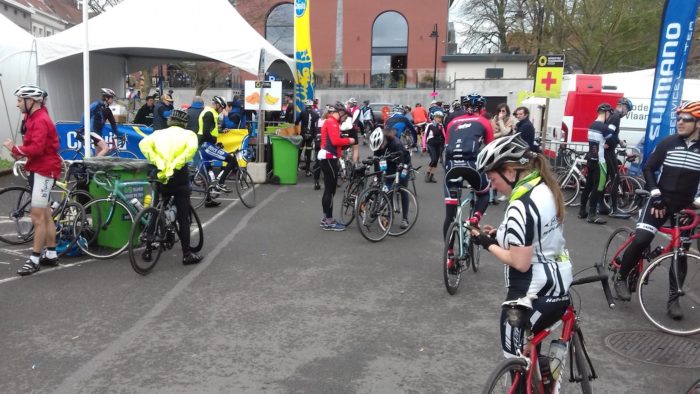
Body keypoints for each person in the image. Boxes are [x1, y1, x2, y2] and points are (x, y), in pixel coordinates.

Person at [472, 133, 572, 360]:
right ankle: (543, 374)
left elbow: (520, 262)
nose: (491, 184)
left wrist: (485, 242)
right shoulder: (545, 188)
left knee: (514, 358)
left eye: (492, 177)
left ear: (510, 171)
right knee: (529, 350)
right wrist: (499, 235)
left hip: (531, 290)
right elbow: (536, 236)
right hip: (557, 281)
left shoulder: (520, 206)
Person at [614, 101, 700, 320]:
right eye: (678, 118)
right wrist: (655, 194)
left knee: (680, 253)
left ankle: (674, 299)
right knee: (642, 238)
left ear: (698, 123)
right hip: (659, 200)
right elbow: (649, 167)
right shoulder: (668, 143)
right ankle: (621, 277)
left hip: (685, 206)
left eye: (686, 119)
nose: (680, 122)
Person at [3, 85, 62, 275]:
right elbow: (33, 145)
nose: (17, 104)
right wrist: (19, 153)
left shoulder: (41, 120)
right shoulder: (33, 117)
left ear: (32, 101)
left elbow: (36, 148)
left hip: (44, 171)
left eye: (20, 100)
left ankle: (34, 259)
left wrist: (15, 149)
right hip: (39, 169)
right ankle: (51, 254)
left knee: (37, 217)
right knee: (45, 215)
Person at [139, 109, 203, 265]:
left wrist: (158, 161)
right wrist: (176, 164)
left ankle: (148, 250)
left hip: (160, 175)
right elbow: (191, 151)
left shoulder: (158, 133)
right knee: (183, 216)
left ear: (170, 120)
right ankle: (187, 254)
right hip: (179, 176)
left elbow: (143, 144)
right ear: (184, 123)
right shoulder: (189, 135)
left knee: (156, 209)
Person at [442, 93, 494, 237]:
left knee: (449, 215)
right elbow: (491, 147)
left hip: (451, 166)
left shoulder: (452, 122)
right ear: (481, 107)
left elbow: (447, 145)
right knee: (484, 194)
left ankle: (450, 255)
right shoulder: (484, 122)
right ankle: (475, 217)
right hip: (472, 165)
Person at [318, 102, 355, 230]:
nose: (345, 119)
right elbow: (335, 141)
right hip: (329, 158)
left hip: (328, 157)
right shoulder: (332, 122)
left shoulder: (330, 121)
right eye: (345, 117)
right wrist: (349, 140)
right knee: (330, 190)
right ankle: (329, 221)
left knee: (328, 190)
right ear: (340, 113)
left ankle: (326, 219)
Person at [578, 103, 614, 224]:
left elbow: (597, 142)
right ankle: (592, 215)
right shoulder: (604, 127)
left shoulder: (592, 125)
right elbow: (612, 139)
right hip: (600, 161)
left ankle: (582, 211)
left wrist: (602, 144)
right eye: (609, 114)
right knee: (597, 188)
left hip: (590, 160)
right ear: (606, 113)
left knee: (588, 186)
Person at [369, 127, 412, 229]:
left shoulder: (396, 143)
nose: (380, 149)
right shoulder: (377, 147)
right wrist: (378, 176)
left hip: (404, 163)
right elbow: (376, 163)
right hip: (389, 163)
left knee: (402, 187)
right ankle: (388, 214)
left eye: (381, 146)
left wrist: (399, 176)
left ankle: (405, 218)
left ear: (384, 140)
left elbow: (401, 163)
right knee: (387, 188)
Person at [198, 96, 238, 204]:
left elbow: (210, 129)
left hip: (205, 144)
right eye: (221, 108)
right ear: (217, 105)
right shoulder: (209, 114)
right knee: (232, 160)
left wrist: (220, 131)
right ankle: (221, 182)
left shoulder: (210, 113)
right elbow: (206, 132)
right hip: (206, 145)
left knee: (207, 172)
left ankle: (208, 200)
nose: (221, 111)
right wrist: (215, 141)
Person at [599, 97, 634, 219]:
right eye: (628, 110)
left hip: (607, 151)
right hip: (608, 152)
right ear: (623, 107)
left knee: (604, 179)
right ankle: (614, 209)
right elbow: (608, 133)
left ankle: (601, 206)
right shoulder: (616, 117)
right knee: (615, 179)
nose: (627, 113)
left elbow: (610, 133)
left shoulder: (612, 115)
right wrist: (609, 141)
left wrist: (618, 141)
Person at [81, 88, 120, 156]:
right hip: (92, 131)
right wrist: (82, 127)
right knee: (106, 149)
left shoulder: (108, 110)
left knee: (99, 153)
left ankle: (94, 165)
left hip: (98, 133)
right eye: (111, 98)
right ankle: (92, 164)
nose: (112, 100)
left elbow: (113, 123)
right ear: (106, 98)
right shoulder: (97, 104)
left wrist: (118, 135)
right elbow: (85, 113)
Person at [296, 99, 319, 176]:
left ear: (306, 106)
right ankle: (307, 170)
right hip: (311, 135)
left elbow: (296, 122)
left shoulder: (302, 112)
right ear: (312, 106)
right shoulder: (316, 114)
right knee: (308, 153)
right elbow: (316, 125)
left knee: (300, 150)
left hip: (303, 134)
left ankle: (296, 169)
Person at [423, 110, 445, 183]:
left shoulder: (441, 126)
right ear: (434, 118)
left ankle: (432, 176)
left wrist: (446, 144)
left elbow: (444, 136)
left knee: (436, 161)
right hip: (430, 144)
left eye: (441, 118)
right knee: (434, 159)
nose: (439, 119)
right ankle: (427, 174)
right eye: (438, 117)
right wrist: (424, 146)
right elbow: (425, 136)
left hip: (438, 145)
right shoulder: (429, 125)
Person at [346, 97, 362, 163]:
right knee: (355, 148)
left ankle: (343, 161)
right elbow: (359, 121)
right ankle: (354, 165)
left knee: (343, 146)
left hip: (344, 130)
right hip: (352, 130)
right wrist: (362, 130)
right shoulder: (357, 110)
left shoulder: (346, 109)